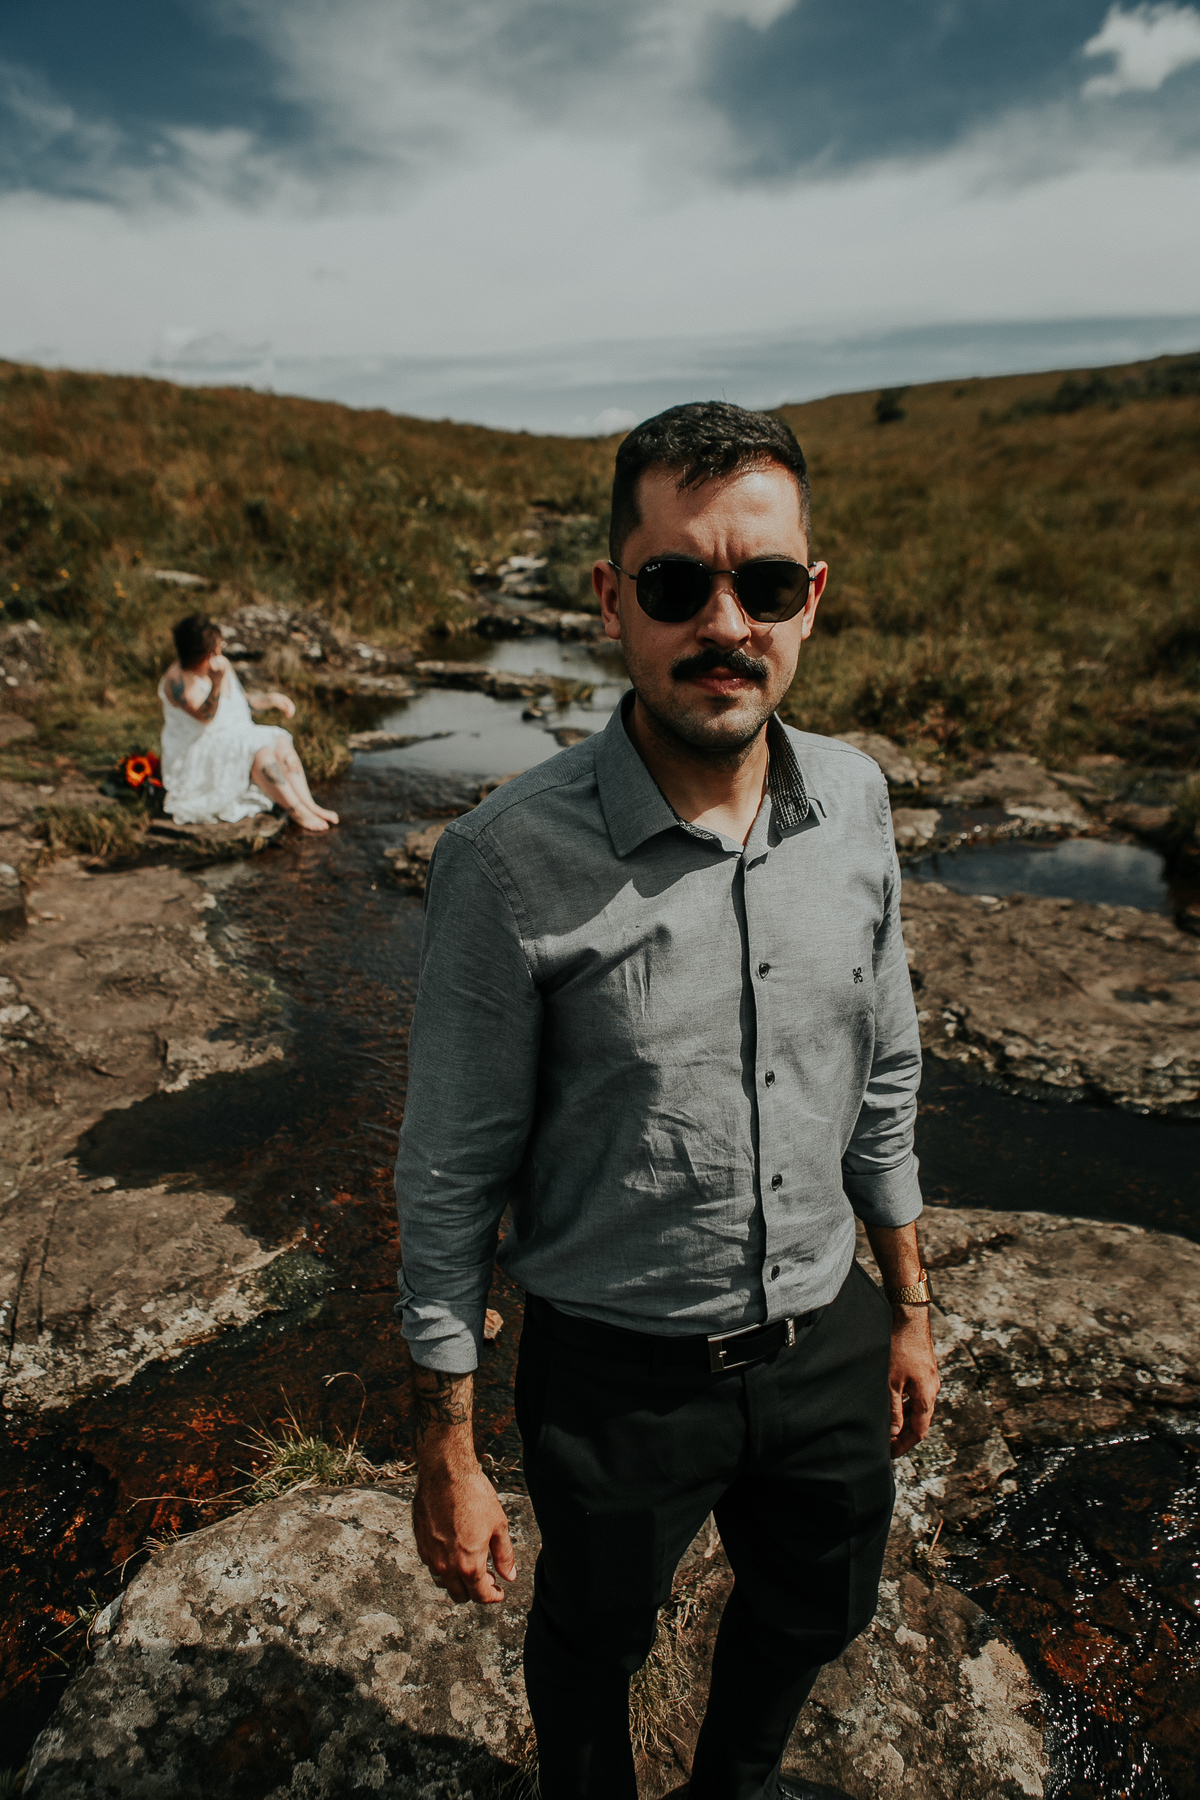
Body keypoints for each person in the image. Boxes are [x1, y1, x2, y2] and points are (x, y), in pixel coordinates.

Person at [395, 402, 940, 1800]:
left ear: (811, 598)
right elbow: (450, 1173)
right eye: (676, 582)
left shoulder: (858, 805)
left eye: (766, 584)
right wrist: (450, 1448)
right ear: (609, 599)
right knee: (593, 1639)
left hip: (826, 1336)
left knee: (819, 1605)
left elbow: (884, 1073)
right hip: (614, 1381)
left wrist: (907, 1305)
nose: (724, 624)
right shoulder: (504, 863)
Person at [159, 614, 338, 833]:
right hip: (198, 749)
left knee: (280, 740)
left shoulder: (219, 665)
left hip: (229, 734)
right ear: (202, 652)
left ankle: (310, 805)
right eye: (215, 648)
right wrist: (216, 682)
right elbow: (206, 716)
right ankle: (297, 810)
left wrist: (270, 699)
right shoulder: (177, 681)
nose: (220, 652)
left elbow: (239, 701)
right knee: (259, 749)